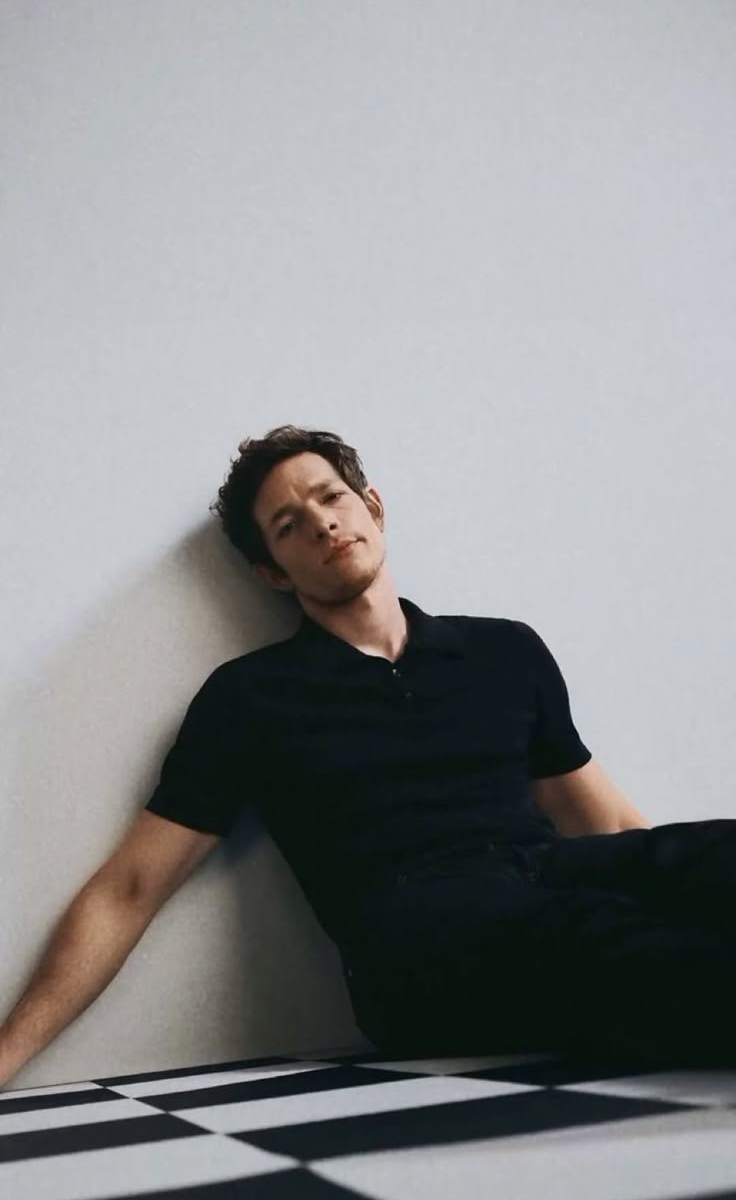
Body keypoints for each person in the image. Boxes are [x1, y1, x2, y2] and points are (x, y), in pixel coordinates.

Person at [2, 427, 735, 1089]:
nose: (322, 522)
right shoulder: (251, 698)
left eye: (331, 497)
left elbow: (614, 828)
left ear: (372, 506)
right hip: (417, 948)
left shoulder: (504, 650)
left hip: (542, 881)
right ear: (273, 573)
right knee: (608, 939)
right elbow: (130, 888)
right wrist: (7, 1055)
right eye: (288, 525)